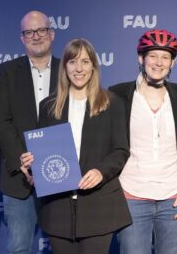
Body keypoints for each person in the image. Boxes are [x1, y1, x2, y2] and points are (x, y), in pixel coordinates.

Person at [22, 38, 132, 254]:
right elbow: (42, 154)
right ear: (65, 67)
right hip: (58, 208)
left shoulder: (112, 103)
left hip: (98, 207)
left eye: (84, 61)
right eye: (72, 62)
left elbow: (121, 150)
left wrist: (101, 171)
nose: (79, 68)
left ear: (93, 66)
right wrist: (32, 167)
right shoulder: (49, 106)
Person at [0, 11, 60, 254]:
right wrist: (23, 160)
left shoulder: (68, 69)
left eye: (41, 30)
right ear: (22, 38)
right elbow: (1, 121)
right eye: (29, 32)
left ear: (51, 34)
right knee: (19, 248)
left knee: (64, 246)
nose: (36, 36)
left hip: (60, 174)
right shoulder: (7, 71)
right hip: (18, 177)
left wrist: (48, 162)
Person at [109, 30, 177, 254]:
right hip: (131, 197)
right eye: (153, 55)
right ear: (141, 58)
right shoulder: (118, 94)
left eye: (165, 57)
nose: (159, 62)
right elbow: (108, 143)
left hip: (173, 197)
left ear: (172, 62)